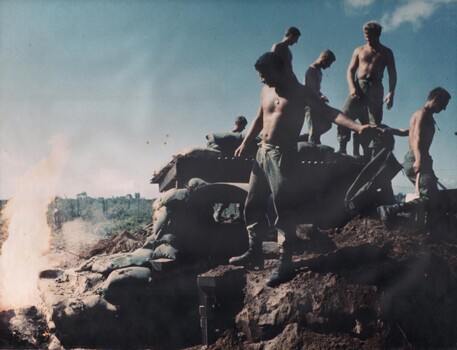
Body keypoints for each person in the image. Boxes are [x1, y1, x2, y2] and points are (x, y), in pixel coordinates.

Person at [228, 52, 374, 287]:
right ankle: (254, 252)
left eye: (265, 75)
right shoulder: (266, 92)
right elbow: (258, 117)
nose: (261, 80)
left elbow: (330, 112)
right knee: (252, 204)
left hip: (283, 156)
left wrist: (357, 127)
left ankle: (285, 263)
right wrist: (245, 143)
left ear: (281, 70)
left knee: (282, 210)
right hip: (261, 153)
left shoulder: (301, 93)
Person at [377, 87, 451, 236]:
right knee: (430, 197)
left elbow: (408, 132)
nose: (443, 109)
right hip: (418, 158)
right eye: (443, 104)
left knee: (433, 196)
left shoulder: (421, 115)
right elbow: (416, 137)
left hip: (419, 158)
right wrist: (418, 159)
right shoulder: (423, 114)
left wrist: (392, 130)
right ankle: (391, 209)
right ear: (436, 99)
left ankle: (429, 232)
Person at [337, 21, 397, 155]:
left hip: (376, 88)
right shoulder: (359, 50)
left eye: (369, 35)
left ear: (377, 35)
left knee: (374, 122)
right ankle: (342, 147)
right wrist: (352, 87)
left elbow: (392, 74)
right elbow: (350, 71)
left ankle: (371, 152)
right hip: (359, 85)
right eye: (365, 35)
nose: (366, 38)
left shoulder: (386, 52)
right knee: (345, 116)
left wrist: (391, 92)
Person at [213, 116, 249, 223]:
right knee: (230, 193)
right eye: (243, 126)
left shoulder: (233, 137)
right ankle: (218, 212)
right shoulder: (233, 137)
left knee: (240, 193)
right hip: (232, 166)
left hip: (235, 165)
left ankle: (239, 214)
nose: (244, 129)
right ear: (240, 124)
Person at [303, 49, 336, 144]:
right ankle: (311, 143)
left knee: (327, 124)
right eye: (329, 63)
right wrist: (318, 97)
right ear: (324, 58)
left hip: (316, 103)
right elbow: (307, 90)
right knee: (313, 133)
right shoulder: (311, 71)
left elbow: (315, 89)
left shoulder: (318, 71)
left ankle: (307, 136)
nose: (329, 66)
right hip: (310, 105)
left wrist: (321, 95)